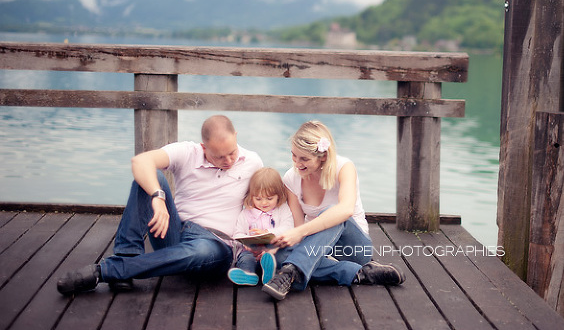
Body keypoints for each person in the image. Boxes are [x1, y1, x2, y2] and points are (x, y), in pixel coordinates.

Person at [56, 114, 263, 295]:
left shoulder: (253, 162)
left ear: (236, 135)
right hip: (175, 231)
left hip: (215, 243)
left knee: (201, 251)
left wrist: (259, 234)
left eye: (232, 153)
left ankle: (109, 271)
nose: (228, 160)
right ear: (203, 147)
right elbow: (140, 161)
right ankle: (127, 254)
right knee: (149, 176)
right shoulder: (187, 151)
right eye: (219, 156)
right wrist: (158, 196)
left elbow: (267, 202)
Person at [261, 120, 405, 301]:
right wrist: (276, 242)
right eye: (294, 156)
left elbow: (345, 210)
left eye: (304, 159)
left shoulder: (344, 168)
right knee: (278, 255)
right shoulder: (291, 178)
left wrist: (299, 232)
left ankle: (291, 272)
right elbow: (297, 226)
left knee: (334, 213)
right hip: (316, 249)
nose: (297, 163)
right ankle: (361, 274)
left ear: (322, 156)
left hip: (353, 248)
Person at [227, 167, 294, 286]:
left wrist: (267, 232)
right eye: (258, 198)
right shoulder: (246, 213)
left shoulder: (282, 209)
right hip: (252, 253)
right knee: (245, 258)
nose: (264, 203)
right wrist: (246, 244)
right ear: (251, 196)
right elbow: (237, 234)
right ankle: (248, 275)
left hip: (273, 251)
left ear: (278, 195)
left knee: (278, 256)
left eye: (269, 198)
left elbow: (288, 227)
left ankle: (269, 273)